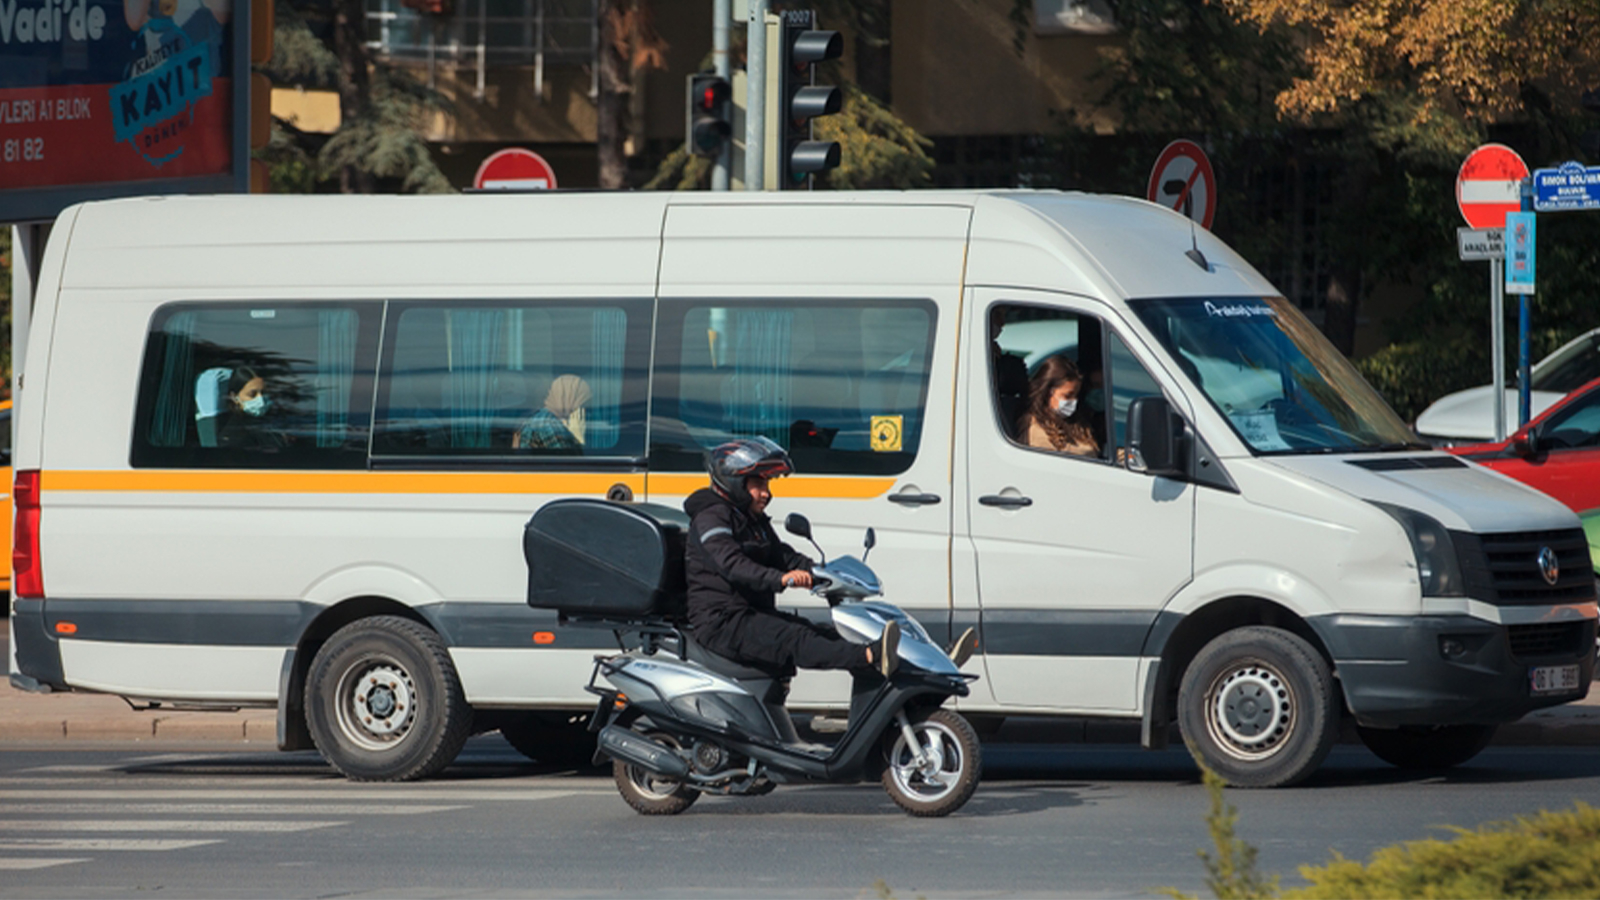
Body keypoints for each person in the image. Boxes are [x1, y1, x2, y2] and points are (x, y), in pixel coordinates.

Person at [683, 437, 899, 678]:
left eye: (768, 485)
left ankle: (901, 662)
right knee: (796, 638)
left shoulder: (751, 520)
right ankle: (872, 656)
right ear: (735, 481)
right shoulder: (711, 518)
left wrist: (822, 572)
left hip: (750, 614)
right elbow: (732, 564)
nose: (766, 494)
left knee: (823, 632)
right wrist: (782, 579)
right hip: (722, 621)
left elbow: (782, 555)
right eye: (759, 485)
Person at [1018, 355, 1100, 457]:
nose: (1073, 401)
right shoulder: (1034, 427)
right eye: (1068, 395)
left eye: (1076, 395)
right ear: (1048, 392)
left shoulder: (1076, 423)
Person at [514, 375, 591, 451]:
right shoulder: (548, 424)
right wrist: (578, 439)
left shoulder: (546, 418)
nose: (584, 412)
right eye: (582, 405)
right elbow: (569, 460)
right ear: (568, 399)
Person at [216, 366, 285, 450]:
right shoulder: (234, 436)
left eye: (263, 392)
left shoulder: (269, 422)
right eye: (252, 394)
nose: (261, 399)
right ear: (234, 397)